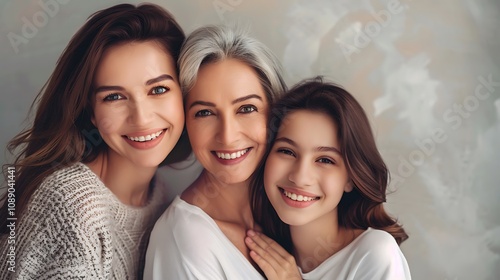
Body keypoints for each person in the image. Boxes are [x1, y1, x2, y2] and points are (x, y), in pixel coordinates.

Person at [0, 4, 186, 279]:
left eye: (158, 89)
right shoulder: (72, 205)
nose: (142, 118)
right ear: (92, 113)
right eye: (114, 96)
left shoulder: (161, 194)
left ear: (185, 94)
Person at [144, 25, 288, 280]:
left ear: (275, 111)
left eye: (246, 109)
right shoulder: (185, 239)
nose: (228, 136)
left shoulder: (293, 212)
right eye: (205, 113)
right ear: (185, 123)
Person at [248, 78, 412, 279]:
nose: (300, 177)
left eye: (325, 159)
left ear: (351, 178)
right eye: (287, 151)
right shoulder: (257, 253)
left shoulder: (375, 254)